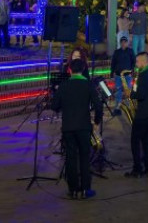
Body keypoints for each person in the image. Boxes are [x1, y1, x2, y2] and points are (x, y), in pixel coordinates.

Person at [51, 57, 103, 200]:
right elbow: (98, 106)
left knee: (71, 158)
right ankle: (86, 189)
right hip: (84, 126)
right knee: (85, 158)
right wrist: (97, 122)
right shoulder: (88, 85)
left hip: (68, 126)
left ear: (69, 70)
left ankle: (72, 190)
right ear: (83, 70)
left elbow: (54, 106)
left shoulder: (64, 85)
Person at [125, 52, 148, 178]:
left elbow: (139, 94)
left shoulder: (143, 75)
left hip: (143, 113)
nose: (136, 64)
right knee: (147, 141)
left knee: (135, 141)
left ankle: (137, 169)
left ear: (143, 62)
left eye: (137, 62)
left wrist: (132, 91)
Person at [110, 36, 135, 108]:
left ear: (127, 43)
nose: (123, 43)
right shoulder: (116, 52)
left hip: (127, 75)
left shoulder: (130, 51)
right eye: (122, 42)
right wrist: (112, 73)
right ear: (120, 43)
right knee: (118, 90)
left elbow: (133, 61)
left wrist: (132, 70)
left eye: (125, 42)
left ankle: (128, 104)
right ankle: (118, 104)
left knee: (128, 91)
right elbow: (113, 63)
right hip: (118, 75)